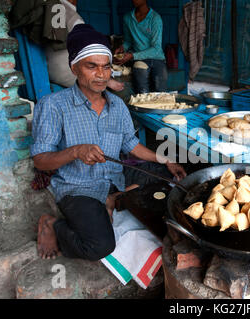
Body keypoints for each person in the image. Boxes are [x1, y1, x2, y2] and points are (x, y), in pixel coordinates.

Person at [31, 24, 186, 260]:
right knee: (99, 246)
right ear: (74, 68)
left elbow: (131, 145)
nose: (102, 75)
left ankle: (113, 198)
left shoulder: (117, 105)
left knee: (169, 179)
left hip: (115, 176)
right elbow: (41, 161)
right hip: (79, 187)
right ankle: (52, 225)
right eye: (91, 66)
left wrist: (165, 160)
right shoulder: (53, 105)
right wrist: (76, 151)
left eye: (106, 67)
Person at [44, 0, 125, 92]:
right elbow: (88, 44)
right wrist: (108, 80)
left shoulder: (50, 8)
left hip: (48, 71)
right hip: (67, 74)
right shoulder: (71, 15)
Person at [114, 0, 168, 93]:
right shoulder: (128, 18)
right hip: (140, 60)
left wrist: (132, 56)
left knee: (160, 92)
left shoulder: (155, 18)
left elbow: (156, 48)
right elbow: (128, 41)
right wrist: (122, 48)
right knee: (142, 92)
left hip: (157, 59)